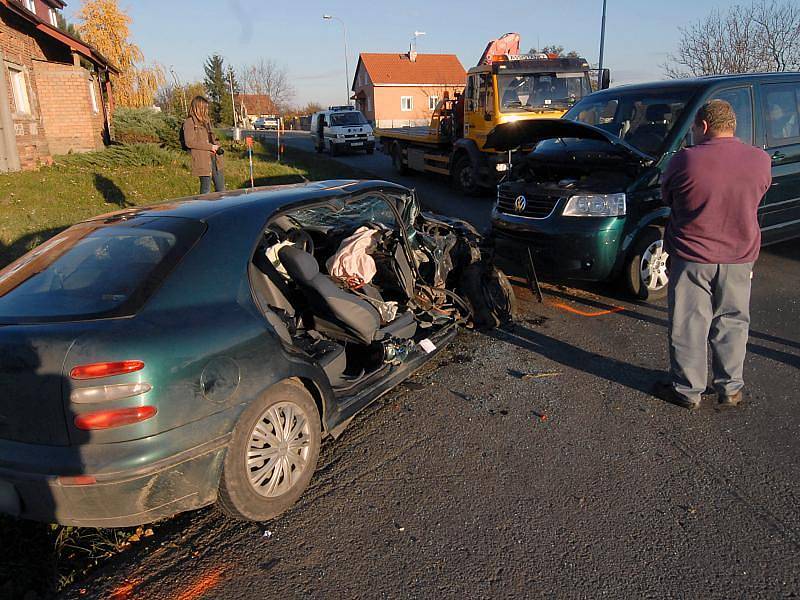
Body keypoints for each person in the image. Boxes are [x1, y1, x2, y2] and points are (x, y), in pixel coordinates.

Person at [655, 99, 772, 410]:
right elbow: (759, 194)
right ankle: (731, 388)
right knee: (733, 322)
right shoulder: (760, 160)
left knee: (689, 324)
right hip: (739, 256)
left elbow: (668, 195)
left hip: (692, 255)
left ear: (703, 126)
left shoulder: (685, 161)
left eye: (694, 128)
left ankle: (687, 390)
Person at [183, 96, 225, 194]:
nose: (206, 110)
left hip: (215, 158)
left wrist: (217, 145)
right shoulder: (189, 122)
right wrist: (210, 147)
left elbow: (212, 137)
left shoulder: (207, 121)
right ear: (198, 108)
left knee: (221, 190)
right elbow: (189, 142)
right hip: (202, 159)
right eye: (204, 108)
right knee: (206, 190)